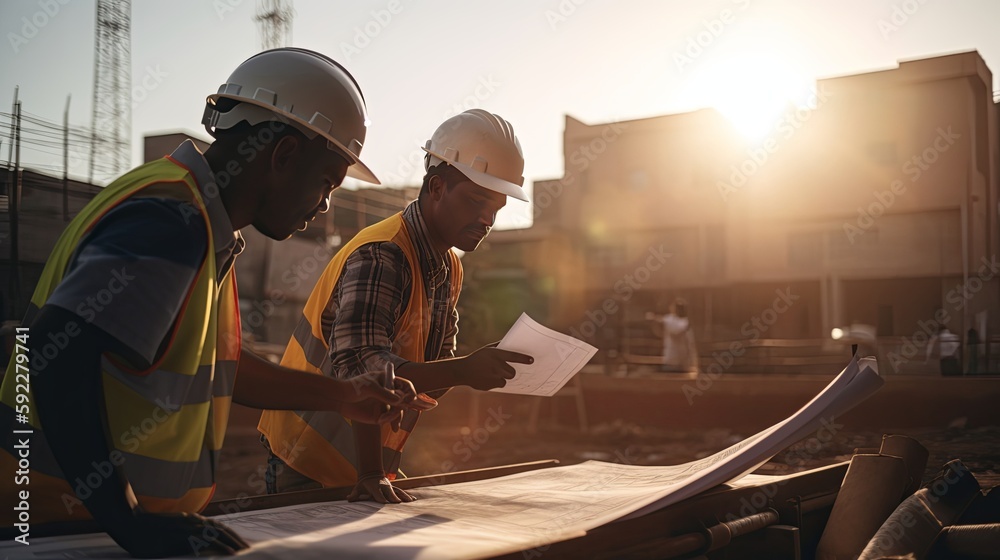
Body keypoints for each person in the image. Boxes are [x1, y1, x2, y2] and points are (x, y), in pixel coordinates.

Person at [0, 48, 420, 557]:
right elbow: (56, 352)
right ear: (284, 155)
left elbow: (221, 369)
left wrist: (341, 395)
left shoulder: (194, 219)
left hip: (86, 527)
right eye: (327, 182)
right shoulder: (171, 220)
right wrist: (131, 521)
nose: (326, 204)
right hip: (58, 528)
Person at [258, 109, 535, 503]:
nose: (487, 218)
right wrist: (463, 370)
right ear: (437, 187)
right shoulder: (383, 254)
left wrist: (474, 370)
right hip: (308, 460)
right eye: (477, 200)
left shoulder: (448, 266)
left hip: (363, 465)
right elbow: (363, 369)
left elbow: (431, 370)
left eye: (497, 208)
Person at [645, 298, 698, 374]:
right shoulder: (670, 318)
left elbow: (675, 330)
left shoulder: (684, 322)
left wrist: (655, 318)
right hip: (670, 358)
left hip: (681, 360)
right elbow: (661, 321)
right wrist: (654, 319)